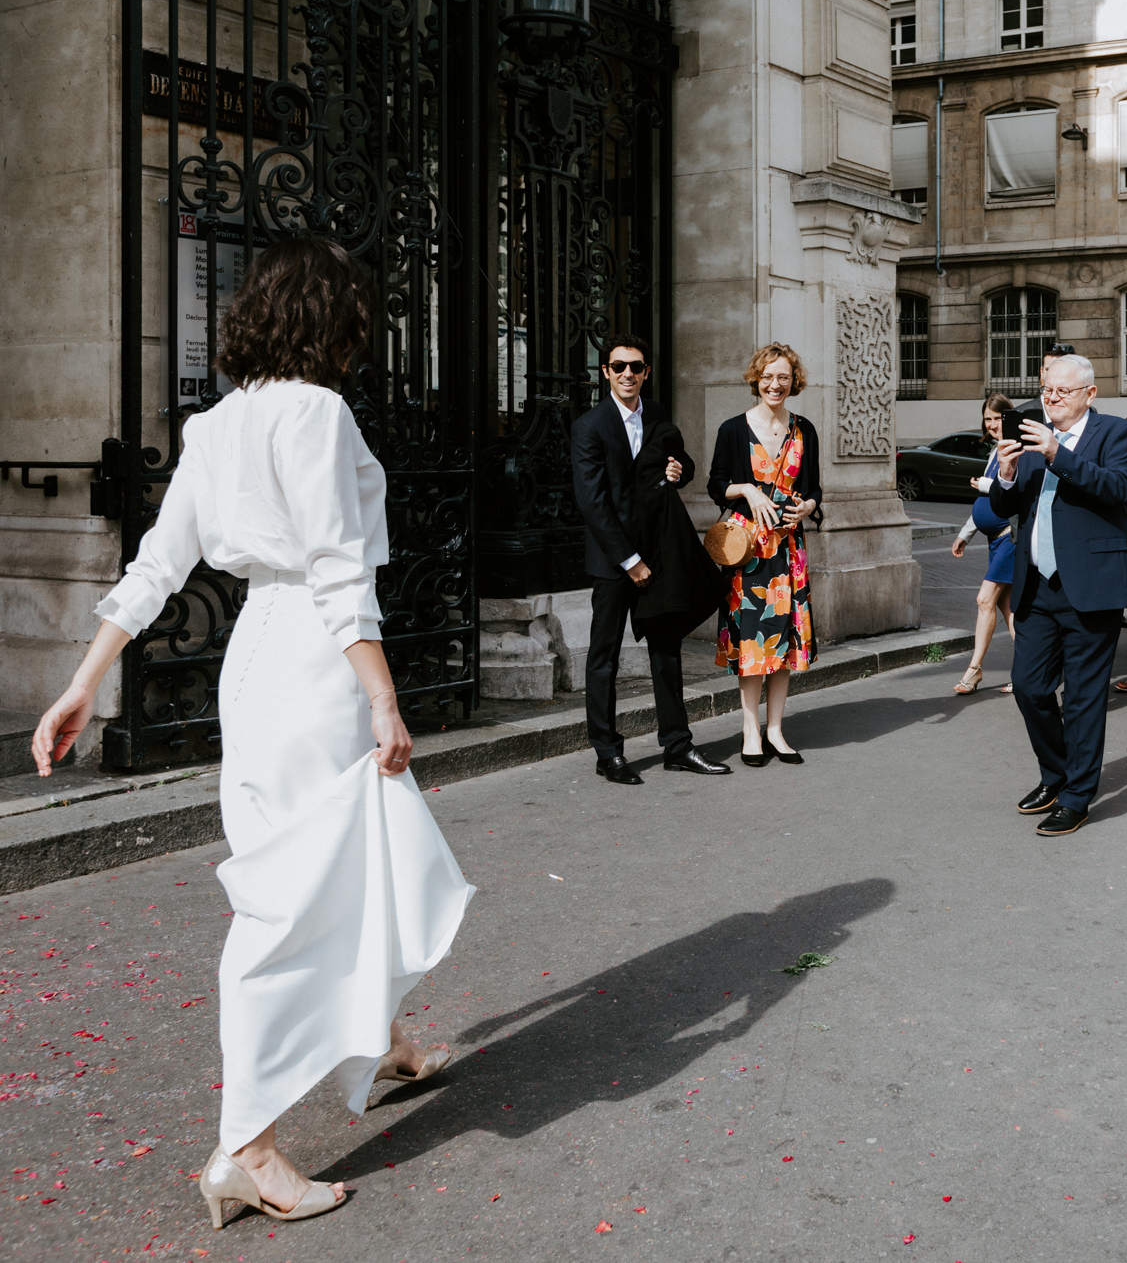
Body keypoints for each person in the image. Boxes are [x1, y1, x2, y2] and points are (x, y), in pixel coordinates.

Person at [31, 239, 469, 1228]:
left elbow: (154, 570)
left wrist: (81, 683)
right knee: (300, 890)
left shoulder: (217, 425)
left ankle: (387, 1039)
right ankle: (247, 1147)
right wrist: (385, 698)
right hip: (315, 663)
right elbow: (333, 567)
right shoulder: (317, 412)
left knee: (359, 855)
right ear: (336, 319)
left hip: (255, 662)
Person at [988, 353, 1127, 836]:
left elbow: (1117, 489)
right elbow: (1003, 507)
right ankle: (1056, 775)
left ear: (1089, 394)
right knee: (1031, 688)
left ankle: (1077, 795)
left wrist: (1057, 453)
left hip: (1091, 586)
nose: (1050, 399)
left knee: (1082, 699)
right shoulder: (1031, 436)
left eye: (1062, 391)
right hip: (1036, 585)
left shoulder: (1116, 434)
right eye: (1046, 391)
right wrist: (1008, 474)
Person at [572, 336, 732, 783]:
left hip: (659, 552)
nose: (627, 374)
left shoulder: (657, 413)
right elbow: (593, 503)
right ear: (605, 372)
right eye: (618, 366)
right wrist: (629, 559)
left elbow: (681, 464)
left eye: (635, 367)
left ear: (646, 372)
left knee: (667, 650)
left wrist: (680, 469)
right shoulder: (590, 426)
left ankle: (677, 745)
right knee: (604, 656)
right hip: (613, 562)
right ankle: (608, 752)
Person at [709, 343, 822, 766]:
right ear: (756, 379)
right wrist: (749, 489)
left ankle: (776, 729)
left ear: (794, 382)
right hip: (749, 552)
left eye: (784, 378)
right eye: (768, 377)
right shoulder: (733, 429)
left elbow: (813, 490)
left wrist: (808, 507)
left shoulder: (804, 429)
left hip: (789, 551)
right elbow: (716, 484)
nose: (775, 385)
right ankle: (750, 730)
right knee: (753, 643)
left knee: (786, 640)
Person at [950, 394, 1017, 694]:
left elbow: (1014, 490)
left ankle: (974, 670)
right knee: (1009, 608)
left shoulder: (1017, 447)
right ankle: (1033, 669)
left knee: (984, 600)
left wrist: (985, 484)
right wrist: (966, 533)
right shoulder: (995, 450)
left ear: (1008, 418)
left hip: (1009, 539)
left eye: (997, 418)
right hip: (994, 540)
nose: (992, 424)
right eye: (987, 419)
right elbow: (984, 503)